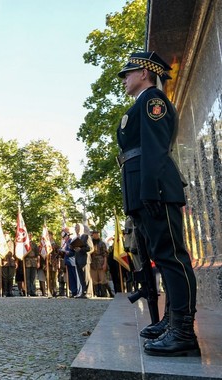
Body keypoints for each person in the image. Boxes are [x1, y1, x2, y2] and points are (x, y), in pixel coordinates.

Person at [117, 52, 199, 357]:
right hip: (144, 190)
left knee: (171, 257)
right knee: (162, 258)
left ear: (144, 72)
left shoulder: (154, 102)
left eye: (127, 73)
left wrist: (149, 190)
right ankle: (172, 319)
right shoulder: (141, 103)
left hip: (156, 189)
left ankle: (183, 330)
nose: (124, 78)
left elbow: (154, 148)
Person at [89, 230, 108, 297]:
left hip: (101, 262)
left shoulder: (102, 243)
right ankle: (96, 293)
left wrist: (105, 263)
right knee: (94, 280)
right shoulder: (90, 243)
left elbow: (105, 254)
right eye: (94, 234)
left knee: (102, 279)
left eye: (97, 234)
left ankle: (103, 293)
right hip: (93, 263)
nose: (96, 235)